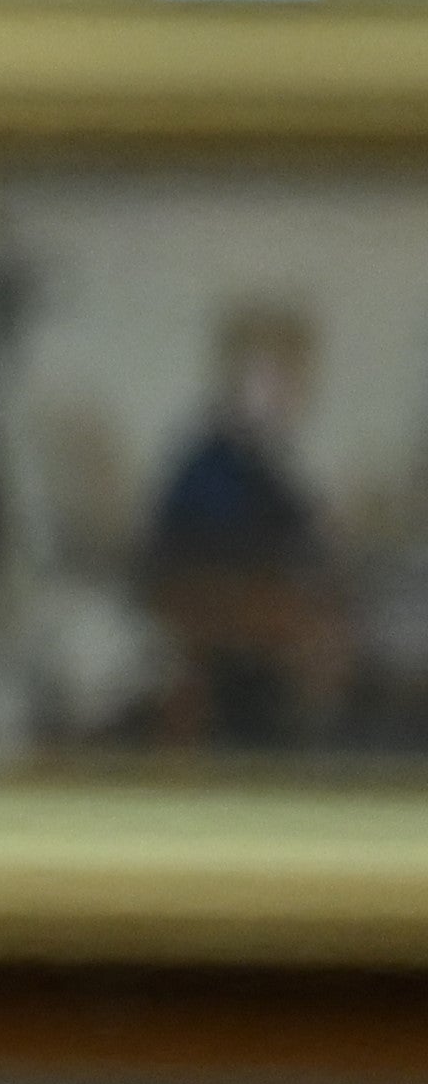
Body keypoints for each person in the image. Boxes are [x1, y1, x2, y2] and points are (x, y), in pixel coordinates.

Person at [130, 299, 355, 750]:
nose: (285, 392)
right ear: (234, 378)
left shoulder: (265, 462)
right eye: (269, 376)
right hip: (217, 624)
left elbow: (302, 533)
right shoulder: (209, 462)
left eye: (294, 378)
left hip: (258, 616)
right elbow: (202, 561)